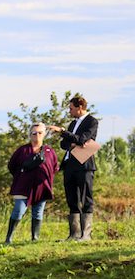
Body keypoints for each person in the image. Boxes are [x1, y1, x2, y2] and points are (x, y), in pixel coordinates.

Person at [48, 95, 100, 240]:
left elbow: (82, 139)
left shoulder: (92, 122)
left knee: (86, 198)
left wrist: (63, 132)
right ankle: (74, 233)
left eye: (71, 108)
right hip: (70, 164)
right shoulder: (72, 124)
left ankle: (86, 234)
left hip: (84, 165)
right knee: (72, 198)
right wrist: (71, 141)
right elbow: (64, 144)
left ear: (80, 107)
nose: (69, 111)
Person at [4, 123, 59, 244]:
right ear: (30, 135)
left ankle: (35, 238)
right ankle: (9, 238)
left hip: (42, 187)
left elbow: (54, 168)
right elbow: (12, 165)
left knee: (38, 213)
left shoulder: (49, 151)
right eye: (34, 133)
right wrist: (21, 176)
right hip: (23, 186)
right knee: (18, 211)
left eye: (40, 132)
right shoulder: (22, 150)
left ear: (44, 134)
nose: (37, 135)